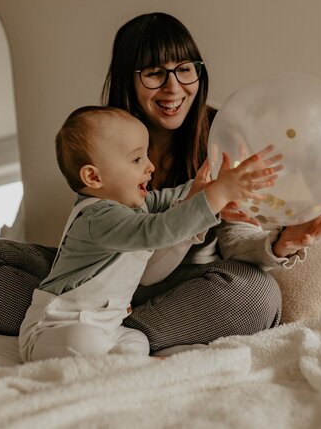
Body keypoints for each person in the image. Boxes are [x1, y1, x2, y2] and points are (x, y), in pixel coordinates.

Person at [0, 12, 321, 351]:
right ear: (129, 79)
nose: (173, 87)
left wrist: (279, 243)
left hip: (179, 285)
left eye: (185, 69)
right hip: (101, 277)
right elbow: (104, 235)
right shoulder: (105, 134)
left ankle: (118, 337)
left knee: (257, 296)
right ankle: (71, 326)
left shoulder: (221, 134)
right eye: (154, 73)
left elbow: (234, 233)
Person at [19, 106, 282, 361]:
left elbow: (175, 199)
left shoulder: (138, 204)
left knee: (136, 340)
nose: (150, 166)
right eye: (137, 159)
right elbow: (157, 230)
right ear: (93, 177)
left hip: (107, 326)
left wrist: (206, 189)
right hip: (56, 327)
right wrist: (218, 194)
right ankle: (115, 363)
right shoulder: (97, 218)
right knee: (81, 341)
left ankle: (127, 363)